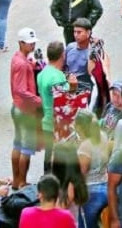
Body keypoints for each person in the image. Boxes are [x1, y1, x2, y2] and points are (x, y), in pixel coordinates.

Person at [37, 41, 78, 173]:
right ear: (62, 55)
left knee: (49, 155)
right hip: (58, 125)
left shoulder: (42, 74)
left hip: (47, 120)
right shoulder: (57, 77)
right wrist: (73, 86)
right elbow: (65, 101)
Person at [9, 27, 42, 189]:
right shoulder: (22, 64)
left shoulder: (18, 58)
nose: (32, 46)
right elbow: (21, 89)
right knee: (26, 148)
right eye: (29, 44)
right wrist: (37, 100)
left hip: (16, 107)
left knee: (17, 144)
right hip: (25, 110)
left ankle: (16, 180)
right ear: (21, 43)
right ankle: (22, 181)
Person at [75, 110, 110, 228]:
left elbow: (82, 173)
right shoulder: (103, 136)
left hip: (90, 192)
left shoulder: (85, 147)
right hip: (106, 185)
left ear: (80, 127)